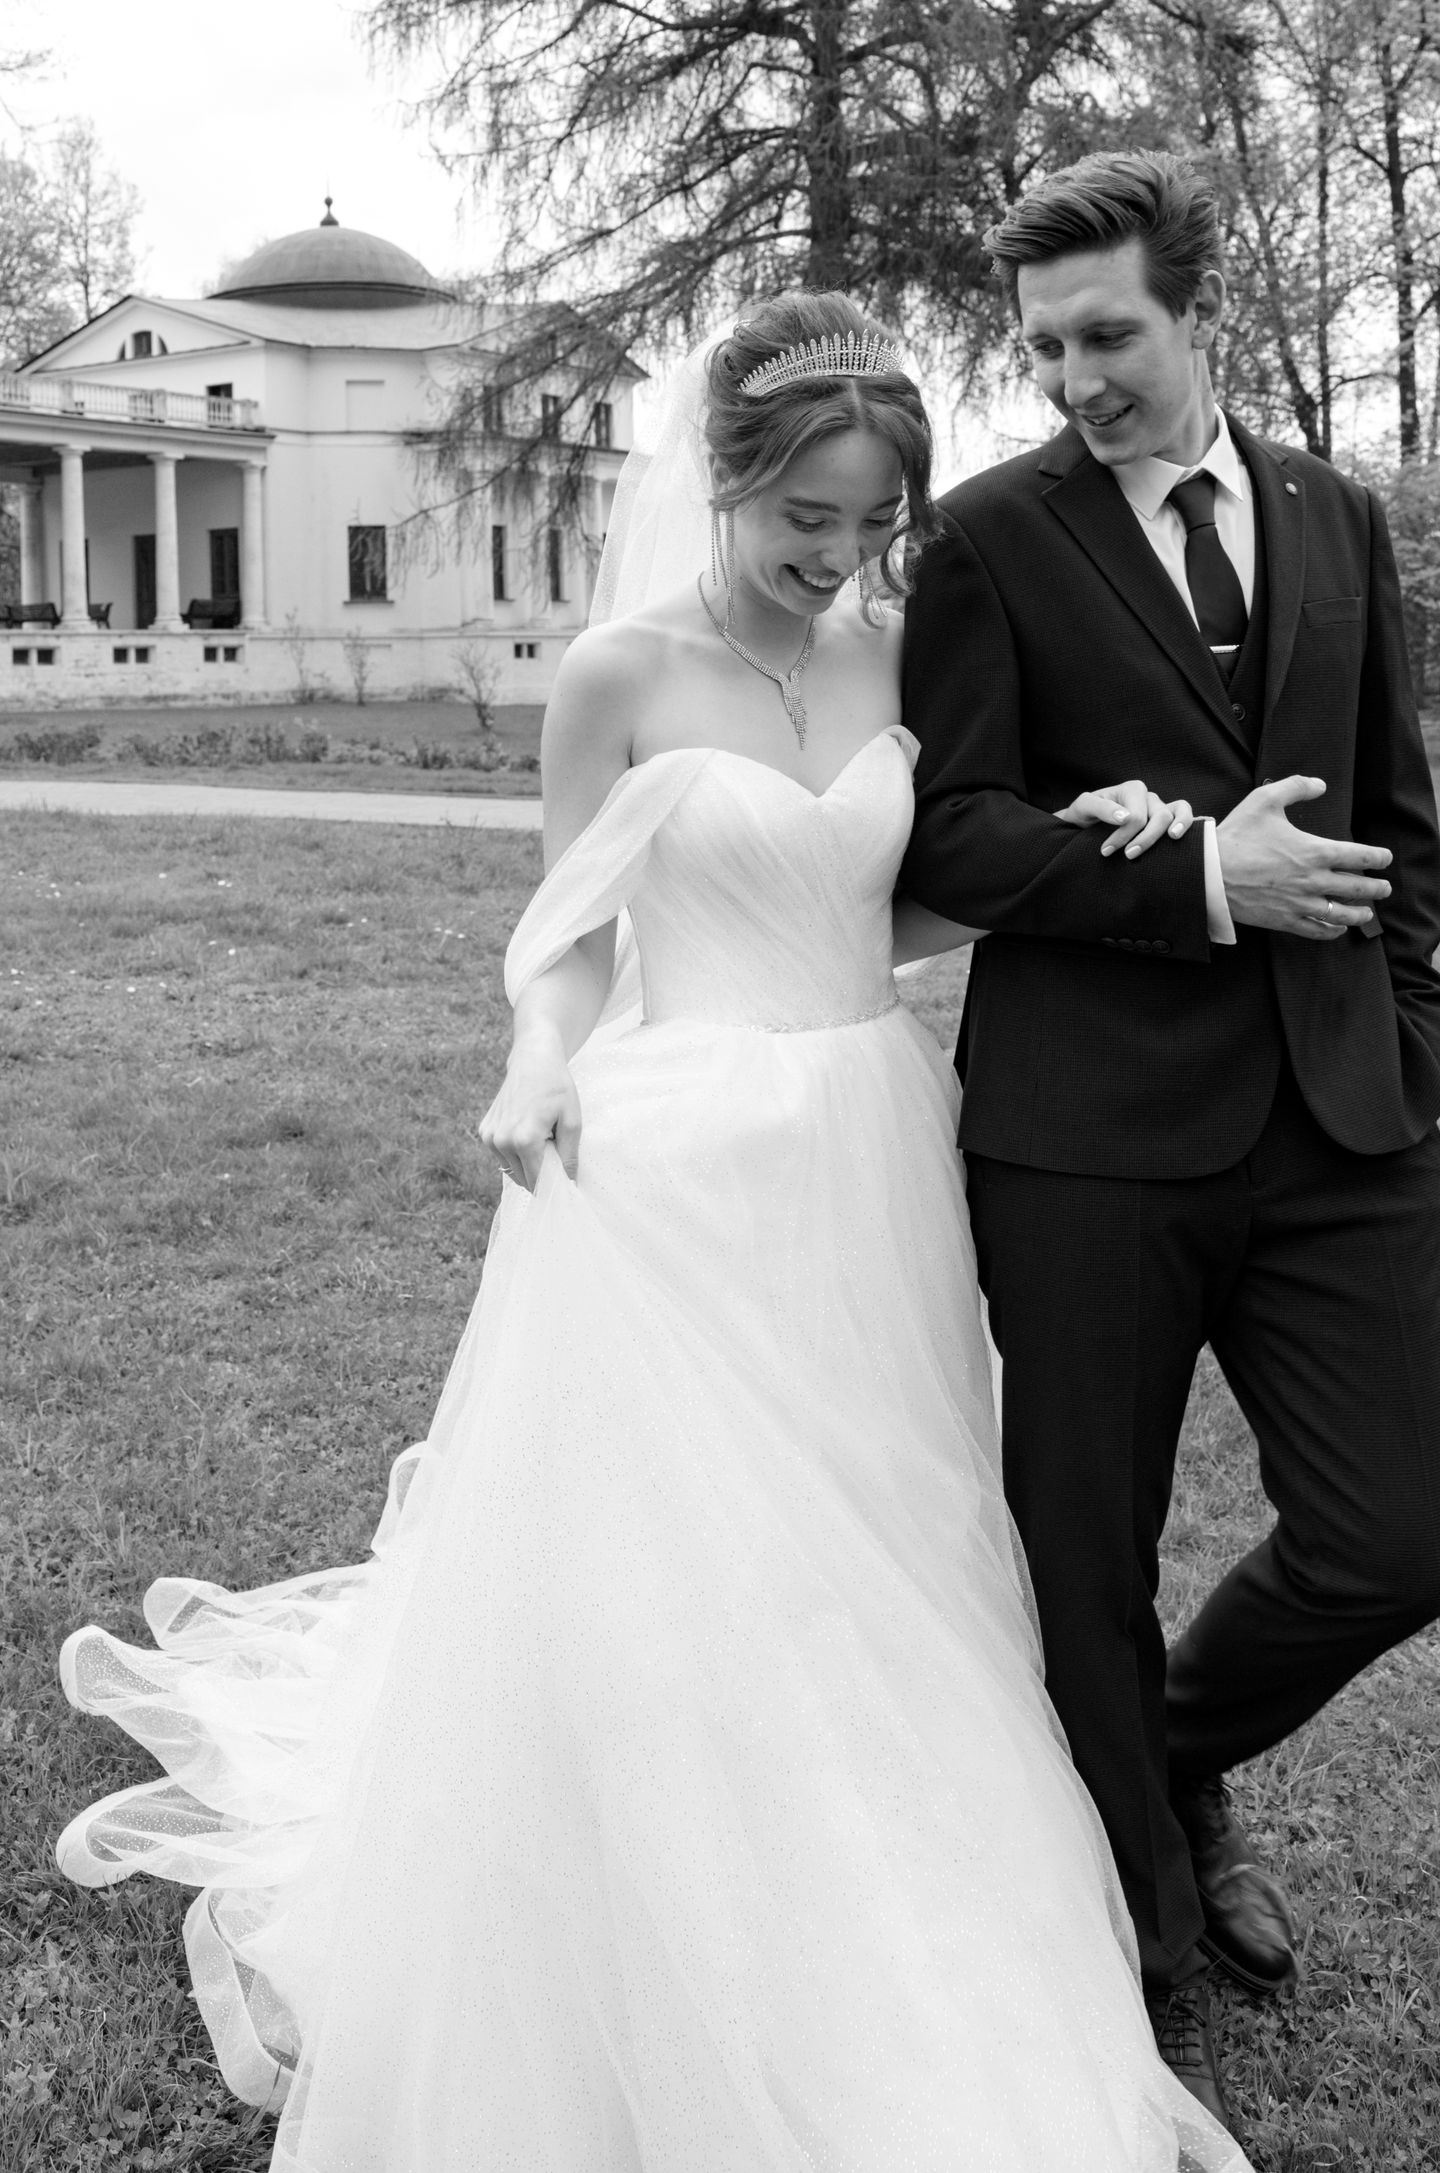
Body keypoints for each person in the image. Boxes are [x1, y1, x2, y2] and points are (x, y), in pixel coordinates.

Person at [56, 293, 1249, 2172]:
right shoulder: (618, 673)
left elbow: (899, 900)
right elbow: (574, 930)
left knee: (886, 1531)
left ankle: (888, 1886)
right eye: (806, 519)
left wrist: (1085, 843)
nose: (838, 555)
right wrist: (542, 1060)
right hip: (677, 1159)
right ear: (726, 478)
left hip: (873, 1143)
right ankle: (676, 1897)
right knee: (698, 1554)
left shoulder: (901, 655)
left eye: (874, 521)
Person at [900, 149, 1440, 2132]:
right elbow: (951, 832)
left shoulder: (1336, 513)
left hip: (1343, 1115)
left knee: (1403, 1529)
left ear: (1202, 306)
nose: (1076, 379)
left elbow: (1398, 809)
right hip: (1088, 1137)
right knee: (1085, 1552)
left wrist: (1415, 1038)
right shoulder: (987, 539)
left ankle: (1185, 1752)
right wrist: (1203, 875)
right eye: (1044, 349)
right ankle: (1132, 1905)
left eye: (1109, 334)